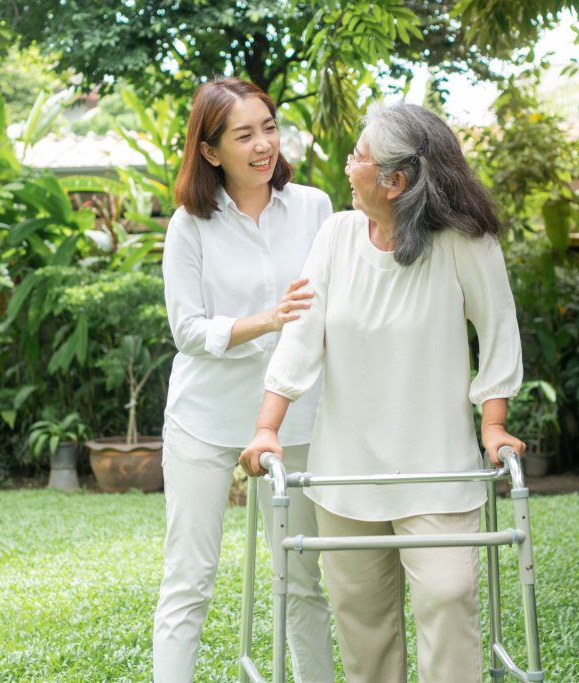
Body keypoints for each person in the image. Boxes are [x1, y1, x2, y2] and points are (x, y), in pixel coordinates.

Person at [239, 102, 526, 683]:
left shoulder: (464, 243)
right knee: (363, 623)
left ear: (395, 182)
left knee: (448, 599)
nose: (348, 167)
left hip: (438, 471)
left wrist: (491, 425)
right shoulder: (338, 236)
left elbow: (499, 330)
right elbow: (302, 335)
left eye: (359, 157)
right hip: (348, 471)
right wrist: (267, 426)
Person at [152, 77, 335, 683]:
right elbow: (187, 330)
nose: (264, 145)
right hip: (203, 419)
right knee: (190, 578)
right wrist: (267, 321)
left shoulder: (313, 208)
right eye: (244, 134)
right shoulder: (189, 225)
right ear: (209, 151)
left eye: (270, 127)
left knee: (304, 575)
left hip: (296, 418)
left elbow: (334, 310)